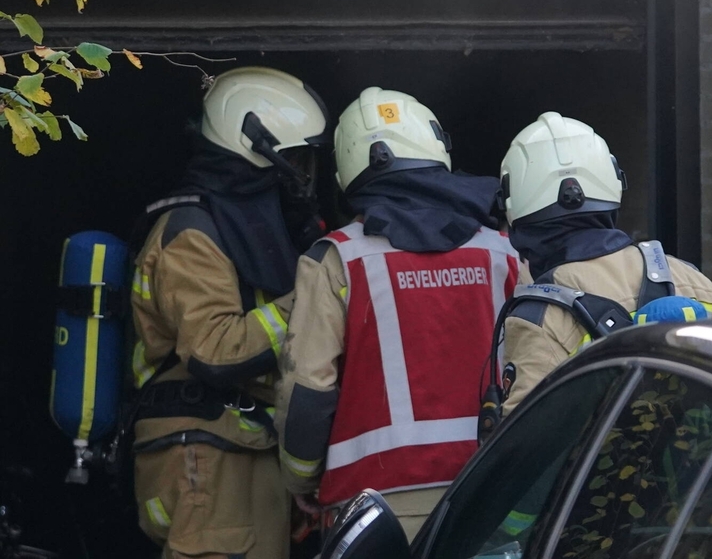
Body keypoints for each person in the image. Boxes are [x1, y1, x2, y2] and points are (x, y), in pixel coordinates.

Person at [275, 87, 519, 541]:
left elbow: (307, 390)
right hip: (487, 501)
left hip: (372, 514)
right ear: (433, 146)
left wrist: (301, 481)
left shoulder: (337, 259)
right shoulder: (504, 253)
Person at [129, 66, 330, 559]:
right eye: (296, 158)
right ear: (255, 148)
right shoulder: (191, 233)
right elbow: (215, 350)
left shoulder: (242, 225)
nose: (304, 174)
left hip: (241, 454)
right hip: (205, 461)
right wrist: (316, 295)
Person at [497, 112, 712, 414]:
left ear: (514, 205)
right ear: (613, 186)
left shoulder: (539, 314)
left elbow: (526, 444)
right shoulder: (689, 280)